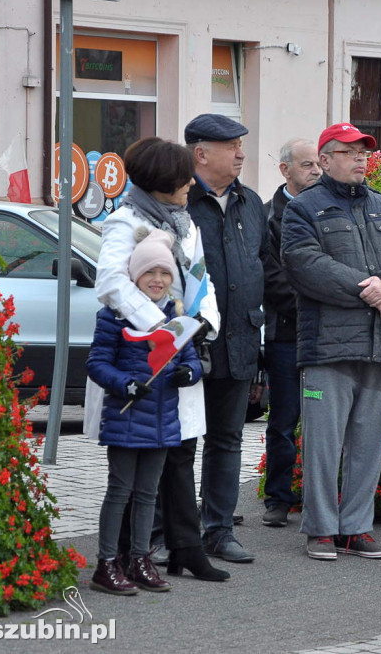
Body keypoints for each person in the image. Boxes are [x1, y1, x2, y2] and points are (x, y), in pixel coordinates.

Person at [91, 136, 228, 582]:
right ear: (160, 182)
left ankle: (178, 548)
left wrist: (203, 322)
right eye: (182, 176)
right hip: (139, 357)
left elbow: (202, 278)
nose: (191, 181)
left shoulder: (186, 223)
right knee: (133, 471)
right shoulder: (123, 221)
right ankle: (121, 556)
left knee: (179, 453)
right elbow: (112, 281)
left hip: (181, 348)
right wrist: (161, 328)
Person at [282, 122, 381, 561]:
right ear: (325, 160)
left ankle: (355, 528)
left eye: (364, 151)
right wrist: (372, 290)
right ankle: (321, 529)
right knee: (323, 444)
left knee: (369, 443)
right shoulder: (303, 210)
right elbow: (306, 265)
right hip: (327, 348)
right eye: (349, 151)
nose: (361, 157)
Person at [87, 229, 203, 595]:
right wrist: (125, 384)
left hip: (163, 420)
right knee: (120, 491)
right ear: (134, 276)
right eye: (150, 273)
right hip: (126, 416)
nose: (158, 280)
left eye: (165, 273)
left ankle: (140, 558)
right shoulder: (116, 316)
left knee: (148, 494)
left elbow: (192, 360)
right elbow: (97, 364)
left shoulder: (176, 315)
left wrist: (190, 372)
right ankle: (107, 562)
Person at [185, 113, 270, 563]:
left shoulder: (250, 203)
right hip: (189, 346)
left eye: (241, 145)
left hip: (239, 342)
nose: (241, 154)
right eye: (232, 146)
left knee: (227, 439)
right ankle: (173, 532)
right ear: (201, 153)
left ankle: (219, 529)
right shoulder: (178, 202)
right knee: (179, 443)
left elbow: (266, 270)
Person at [261, 138, 322, 527]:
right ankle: (278, 499)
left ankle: (317, 497)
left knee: (321, 418)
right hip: (287, 337)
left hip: (324, 337)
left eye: (319, 164)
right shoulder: (269, 217)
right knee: (284, 420)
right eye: (307, 165)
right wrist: (322, 298)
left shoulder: (328, 209)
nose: (316, 171)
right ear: (285, 170)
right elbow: (272, 281)